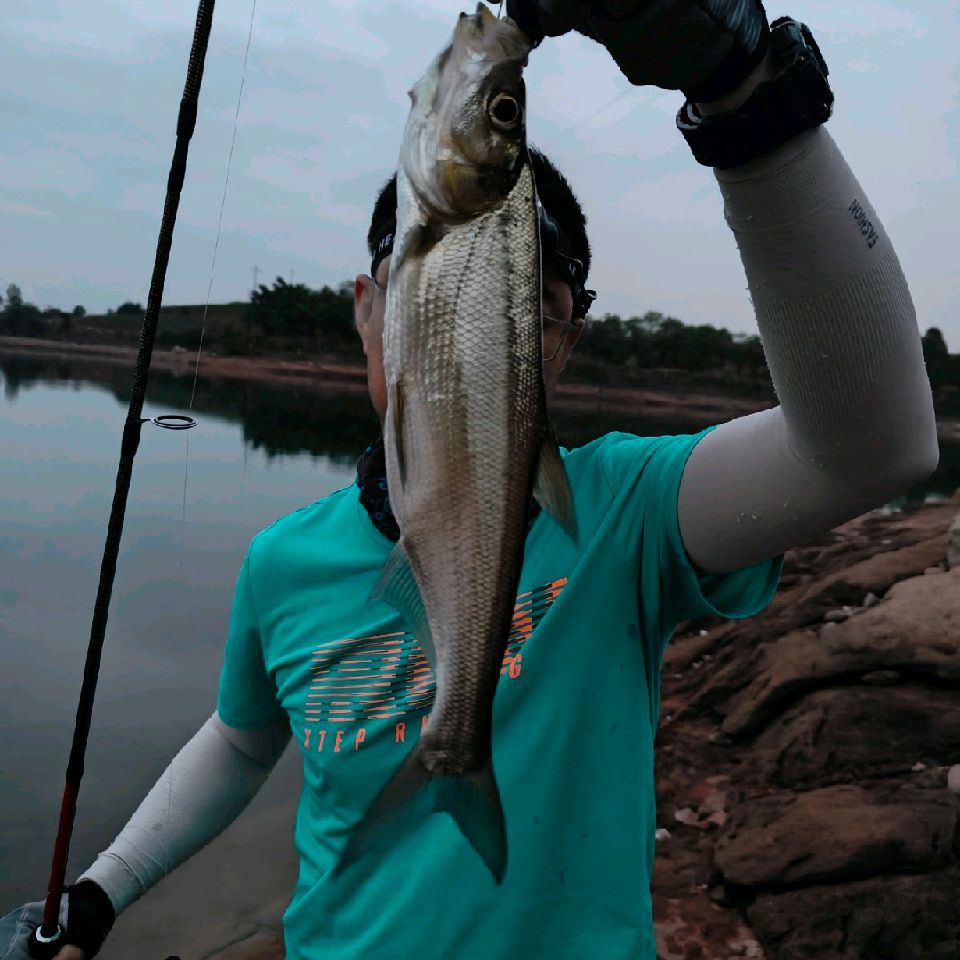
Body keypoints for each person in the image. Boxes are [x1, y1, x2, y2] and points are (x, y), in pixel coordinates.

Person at [2, 0, 939, 957]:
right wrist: (100, 894)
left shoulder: (626, 513)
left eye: (533, 308)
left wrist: (744, 94)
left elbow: (872, 450)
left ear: (563, 343)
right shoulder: (281, 562)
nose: (479, 330)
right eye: (443, 290)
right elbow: (242, 740)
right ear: (370, 308)